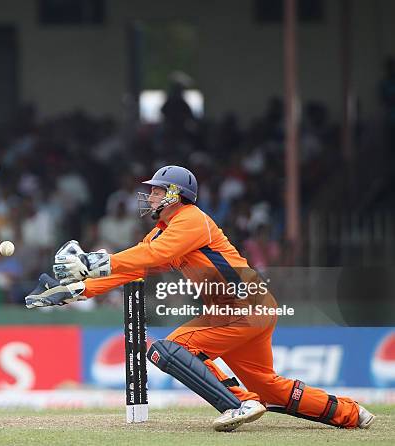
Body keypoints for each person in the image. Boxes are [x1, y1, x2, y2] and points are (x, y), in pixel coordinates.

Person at [25, 165, 375, 432]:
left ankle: (239, 403)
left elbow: (147, 256)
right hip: (248, 307)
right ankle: (352, 413)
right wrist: (78, 290)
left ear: (175, 195)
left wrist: (95, 261)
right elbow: (135, 268)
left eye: (156, 191)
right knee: (270, 389)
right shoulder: (165, 229)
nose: (149, 197)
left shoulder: (191, 220)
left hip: (241, 307)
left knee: (169, 348)